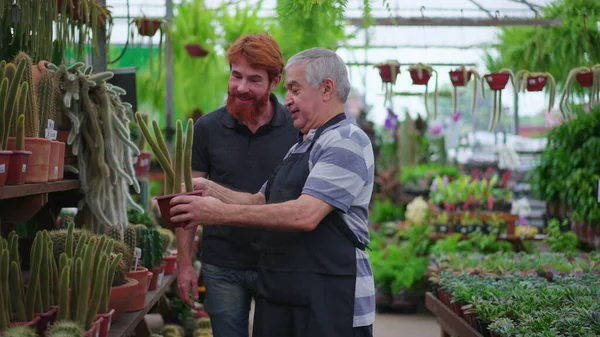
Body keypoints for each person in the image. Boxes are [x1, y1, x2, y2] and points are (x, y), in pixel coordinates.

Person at [170, 47, 376, 337]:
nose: (287, 99)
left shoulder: (346, 141)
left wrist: (217, 212)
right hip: (292, 290)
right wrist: (210, 189)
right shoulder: (302, 144)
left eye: (295, 89)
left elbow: (305, 214)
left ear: (327, 88)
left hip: (332, 298)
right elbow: (261, 200)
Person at [175, 33, 297, 337]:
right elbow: (188, 197)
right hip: (222, 265)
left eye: (254, 80)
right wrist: (184, 263)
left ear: (275, 82)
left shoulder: (297, 129)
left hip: (280, 263)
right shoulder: (207, 128)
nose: (241, 88)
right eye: (236, 75)